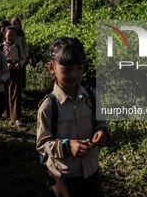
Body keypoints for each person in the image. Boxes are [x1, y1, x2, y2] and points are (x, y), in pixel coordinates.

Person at [36, 37, 109, 197]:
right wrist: (68, 146)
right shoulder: (48, 106)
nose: (74, 74)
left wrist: (101, 131)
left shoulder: (92, 97)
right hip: (63, 175)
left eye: (80, 68)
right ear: (51, 67)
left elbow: (100, 122)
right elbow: (42, 144)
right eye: (67, 69)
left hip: (91, 170)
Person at [0, 26, 26, 126]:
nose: (11, 36)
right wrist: (6, 65)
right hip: (5, 72)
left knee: (16, 92)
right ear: (5, 34)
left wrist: (20, 64)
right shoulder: (0, 47)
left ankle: (17, 116)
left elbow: (23, 59)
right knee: (5, 92)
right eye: (9, 34)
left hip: (16, 71)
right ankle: (7, 113)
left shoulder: (18, 47)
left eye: (14, 35)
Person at [10, 17, 29, 89]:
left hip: (21, 56)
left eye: (18, 24)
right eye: (14, 24)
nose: (16, 26)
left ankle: (21, 87)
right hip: (12, 55)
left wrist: (26, 56)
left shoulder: (22, 33)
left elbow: (25, 46)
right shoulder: (10, 33)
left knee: (21, 72)